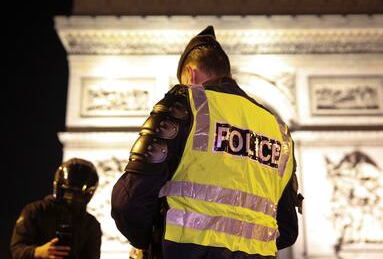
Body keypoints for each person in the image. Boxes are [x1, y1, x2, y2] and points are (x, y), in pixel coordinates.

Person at [111, 26, 303, 259]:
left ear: (190, 75)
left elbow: (129, 202)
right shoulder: (278, 130)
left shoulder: (185, 104)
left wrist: (151, 242)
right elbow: (287, 229)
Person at [10, 158, 102, 259]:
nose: (72, 198)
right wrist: (38, 252)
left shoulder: (91, 225)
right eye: (69, 192)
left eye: (78, 194)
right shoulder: (35, 211)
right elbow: (16, 249)